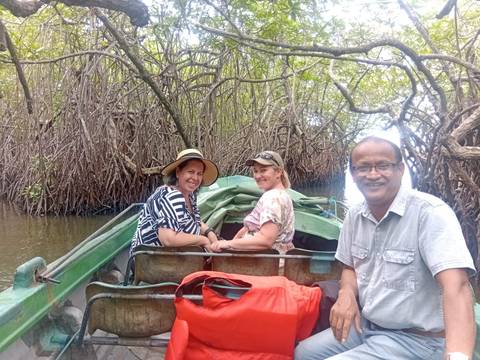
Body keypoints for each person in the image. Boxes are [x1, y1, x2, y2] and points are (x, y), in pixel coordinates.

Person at [295, 136, 476, 360]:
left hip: (418, 340)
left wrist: (458, 355)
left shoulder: (430, 213)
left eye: (383, 166)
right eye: (363, 167)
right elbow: (350, 266)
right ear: (352, 174)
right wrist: (346, 293)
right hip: (369, 327)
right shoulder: (354, 215)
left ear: (400, 169)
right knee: (304, 353)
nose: (372, 175)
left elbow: (457, 287)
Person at [129, 149, 219, 255]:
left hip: (175, 258)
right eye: (190, 172)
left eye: (199, 173)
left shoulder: (189, 195)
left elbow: (195, 221)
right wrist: (203, 240)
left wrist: (209, 232)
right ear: (178, 172)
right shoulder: (171, 195)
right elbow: (168, 239)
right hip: (151, 260)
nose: (195, 178)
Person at [211, 150, 294, 253]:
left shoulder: (273, 198)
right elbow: (248, 228)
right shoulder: (280, 194)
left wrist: (227, 244)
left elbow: (266, 240)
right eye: (255, 171)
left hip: (264, 263)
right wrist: (231, 244)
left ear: (278, 172)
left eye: (263, 170)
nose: (258, 176)